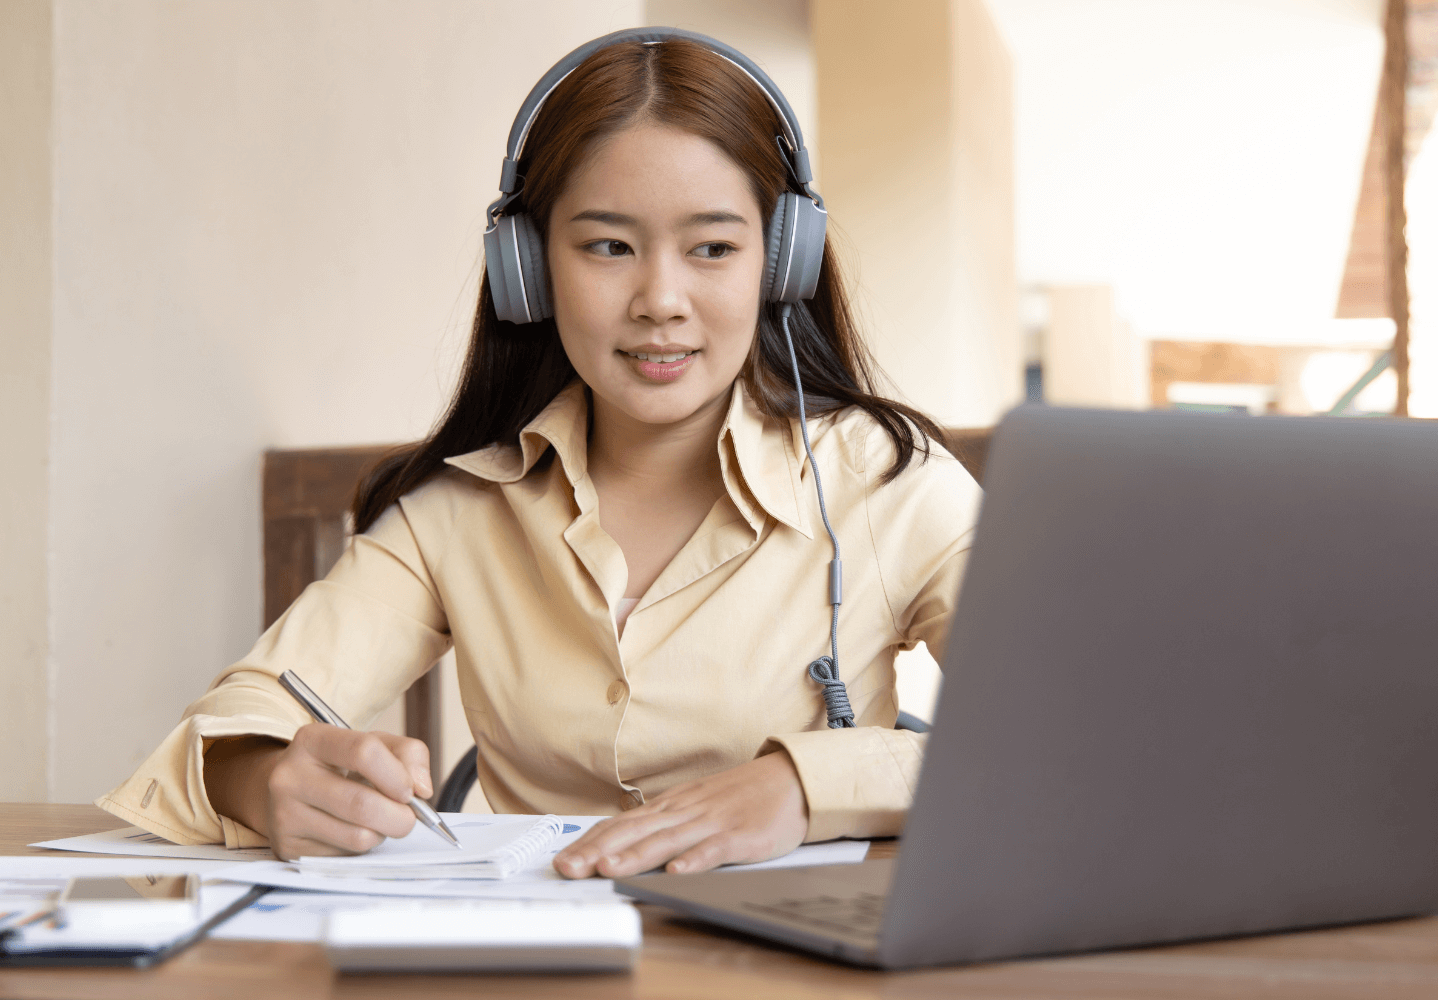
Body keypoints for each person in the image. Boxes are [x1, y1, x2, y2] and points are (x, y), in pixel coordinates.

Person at [96, 30, 981, 880]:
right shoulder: (459, 510)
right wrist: (262, 779)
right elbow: (236, 722)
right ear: (528, 268)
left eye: (713, 247)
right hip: (527, 964)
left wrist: (804, 784)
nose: (660, 300)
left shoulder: (891, 486)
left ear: (781, 262)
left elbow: (1071, 734)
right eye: (607, 246)